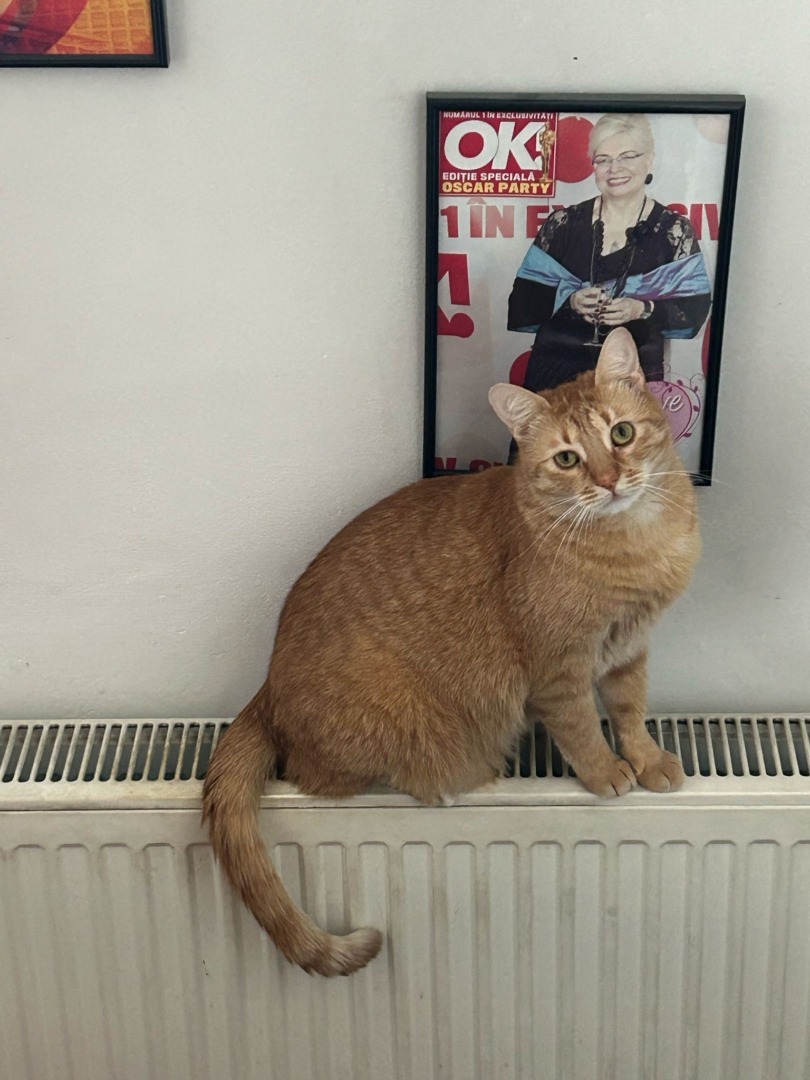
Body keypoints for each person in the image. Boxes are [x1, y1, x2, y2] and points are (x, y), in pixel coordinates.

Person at [507, 113, 712, 395]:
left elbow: (693, 310)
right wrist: (569, 299)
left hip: (630, 373)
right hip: (556, 369)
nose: (614, 169)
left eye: (627, 156)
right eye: (603, 159)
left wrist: (641, 308)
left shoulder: (674, 231)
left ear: (649, 160)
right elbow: (520, 303)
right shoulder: (561, 225)